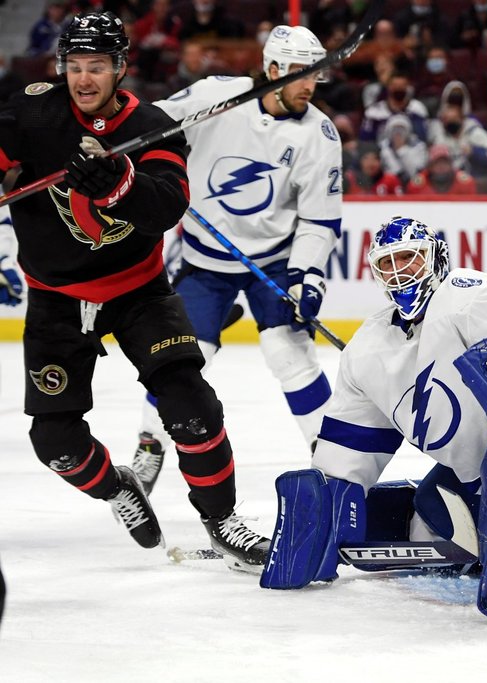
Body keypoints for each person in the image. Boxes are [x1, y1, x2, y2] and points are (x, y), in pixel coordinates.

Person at [259, 216, 487, 626]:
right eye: (387, 263)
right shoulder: (367, 351)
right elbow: (349, 453)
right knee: (429, 517)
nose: (399, 271)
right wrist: (320, 516)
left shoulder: (467, 294)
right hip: (479, 468)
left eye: (409, 257)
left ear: (435, 257)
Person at [0, 10, 268, 569]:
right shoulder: (33, 112)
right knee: (56, 444)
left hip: (137, 290)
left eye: (97, 66)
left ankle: (222, 520)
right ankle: (119, 489)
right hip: (56, 296)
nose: (84, 78)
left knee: (191, 404)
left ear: (119, 68)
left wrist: (120, 184)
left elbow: (167, 205)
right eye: (74, 66)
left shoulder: (149, 125)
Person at [129, 25, 343, 495]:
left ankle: (336, 461)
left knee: (291, 353)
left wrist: (308, 277)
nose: (310, 85)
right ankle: (150, 443)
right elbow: (150, 121)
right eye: (301, 74)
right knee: (183, 359)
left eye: (316, 75)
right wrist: (119, 147)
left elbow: (319, 219)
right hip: (206, 259)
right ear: (272, 69)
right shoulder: (218, 95)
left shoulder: (320, 136)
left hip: (273, 259)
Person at [406, 144, 477, 194]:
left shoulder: (464, 182)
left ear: (450, 164)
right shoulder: (418, 184)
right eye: (437, 163)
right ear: (430, 166)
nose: (441, 166)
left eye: (445, 162)